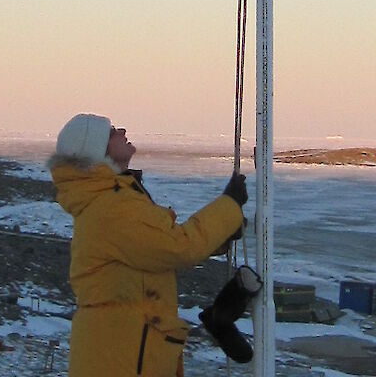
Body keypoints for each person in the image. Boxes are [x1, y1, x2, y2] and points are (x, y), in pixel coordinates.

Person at [49, 113, 247, 376]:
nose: (122, 130)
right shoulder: (112, 206)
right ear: (97, 150)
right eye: (111, 131)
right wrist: (229, 205)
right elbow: (176, 246)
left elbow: (153, 246)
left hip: (121, 351)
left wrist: (218, 237)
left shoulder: (110, 200)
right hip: (123, 357)